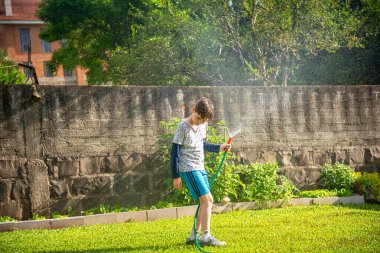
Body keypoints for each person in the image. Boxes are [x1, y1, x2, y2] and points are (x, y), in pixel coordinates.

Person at [170, 97, 231, 247]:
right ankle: (206, 236)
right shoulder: (182, 127)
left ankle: (193, 236)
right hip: (188, 168)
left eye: (202, 120)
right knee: (208, 200)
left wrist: (219, 147)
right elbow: (174, 153)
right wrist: (176, 175)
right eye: (198, 118)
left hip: (200, 166)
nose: (198, 122)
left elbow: (203, 144)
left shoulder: (202, 125)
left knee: (203, 202)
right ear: (193, 110)